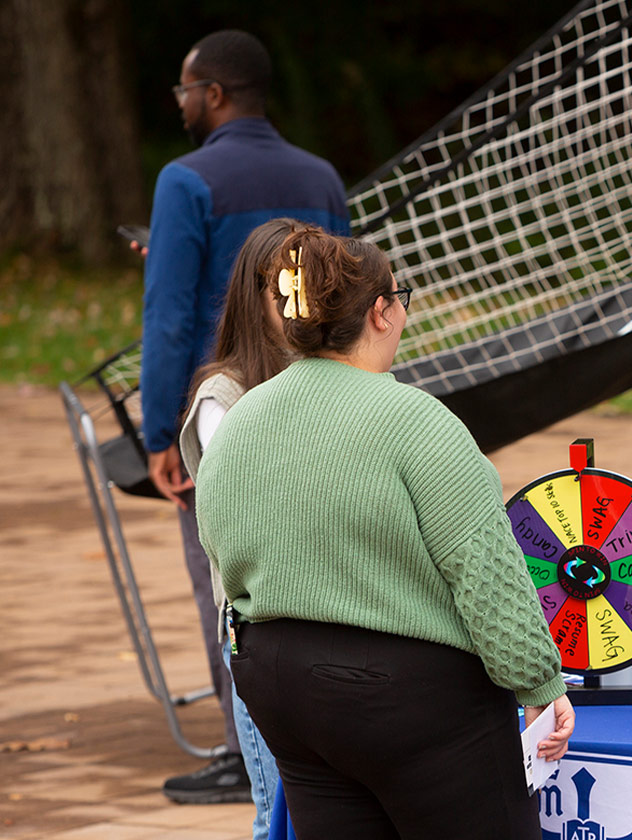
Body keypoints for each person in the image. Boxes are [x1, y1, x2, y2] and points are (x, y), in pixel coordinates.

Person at [194, 229, 574, 838]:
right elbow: (485, 572)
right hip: (406, 696)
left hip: (278, 684)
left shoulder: (239, 423)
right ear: (381, 311)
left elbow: (221, 556)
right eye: (401, 295)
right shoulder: (415, 421)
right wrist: (537, 682)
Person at [139, 29, 348, 802]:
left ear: (215, 94)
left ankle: (243, 749)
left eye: (185, 91)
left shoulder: (185, 180)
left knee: (223, 578)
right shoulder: (320, 176)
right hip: (325, 401)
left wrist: (162, 431)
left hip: (228, 403)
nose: (182, 104)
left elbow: (167, 316)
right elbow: (342, 295)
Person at [177, 219, 315, 839]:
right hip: (263, 636)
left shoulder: (333, 377)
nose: (298, 301)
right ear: (253, 295)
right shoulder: (223, 396)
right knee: (276, 812)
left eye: (314, 285)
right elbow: (259, 516)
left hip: (333, 632)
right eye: (283, 285)